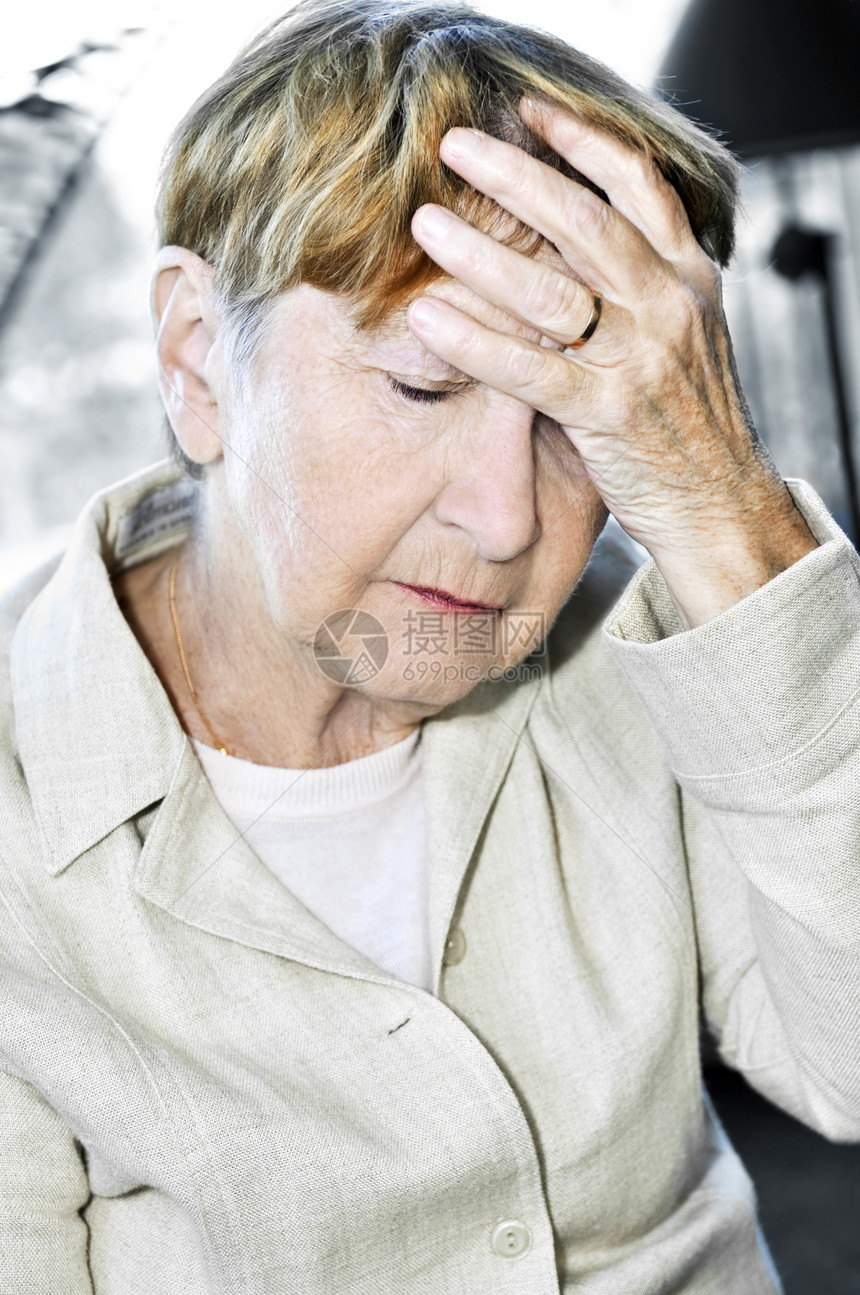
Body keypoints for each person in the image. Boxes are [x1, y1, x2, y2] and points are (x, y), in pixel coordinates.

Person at [1, 0, 858, 1290]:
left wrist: (723, 504)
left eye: (579, 414)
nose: (508, 519)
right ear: (196, 359)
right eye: (422, 386)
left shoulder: (658, 635)